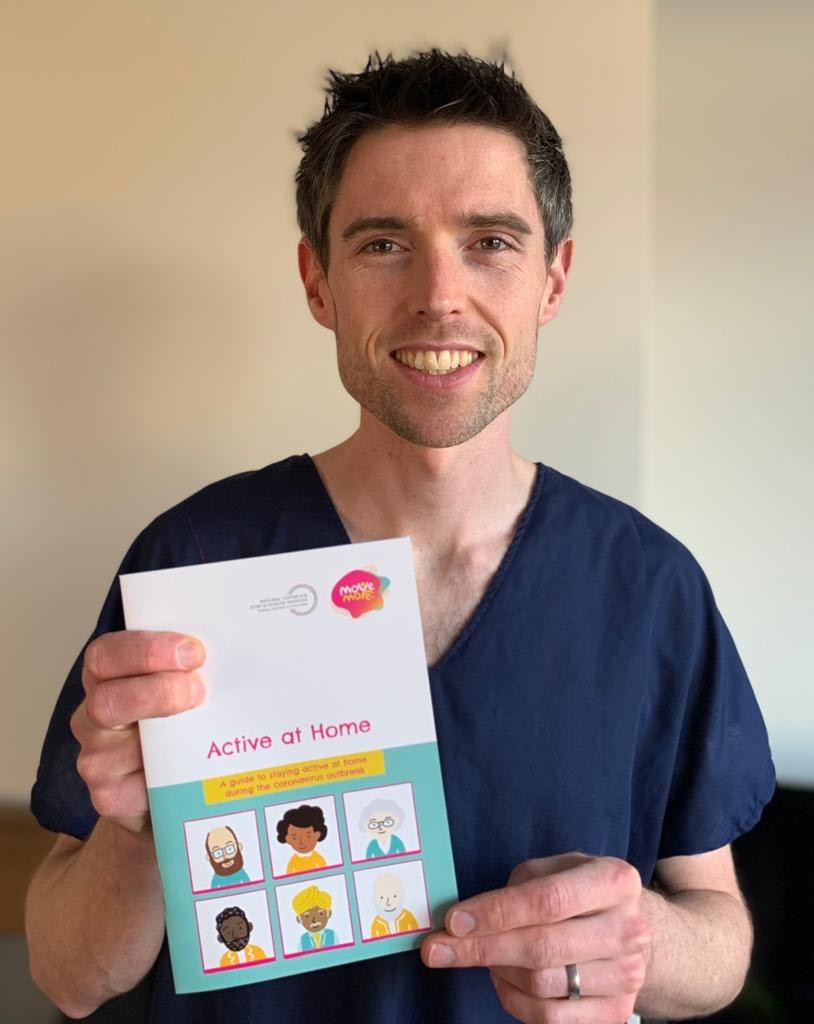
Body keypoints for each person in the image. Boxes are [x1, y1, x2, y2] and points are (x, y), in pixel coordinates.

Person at [26, 50, 774, 1024]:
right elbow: (70, 974)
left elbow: (718, 933)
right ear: (318, 281)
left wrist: (642, 941)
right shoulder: (194, 562)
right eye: (384, 243)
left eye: (490, 241)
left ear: (553, 278)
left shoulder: (647, 585)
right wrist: (136, 834)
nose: (438, 295)